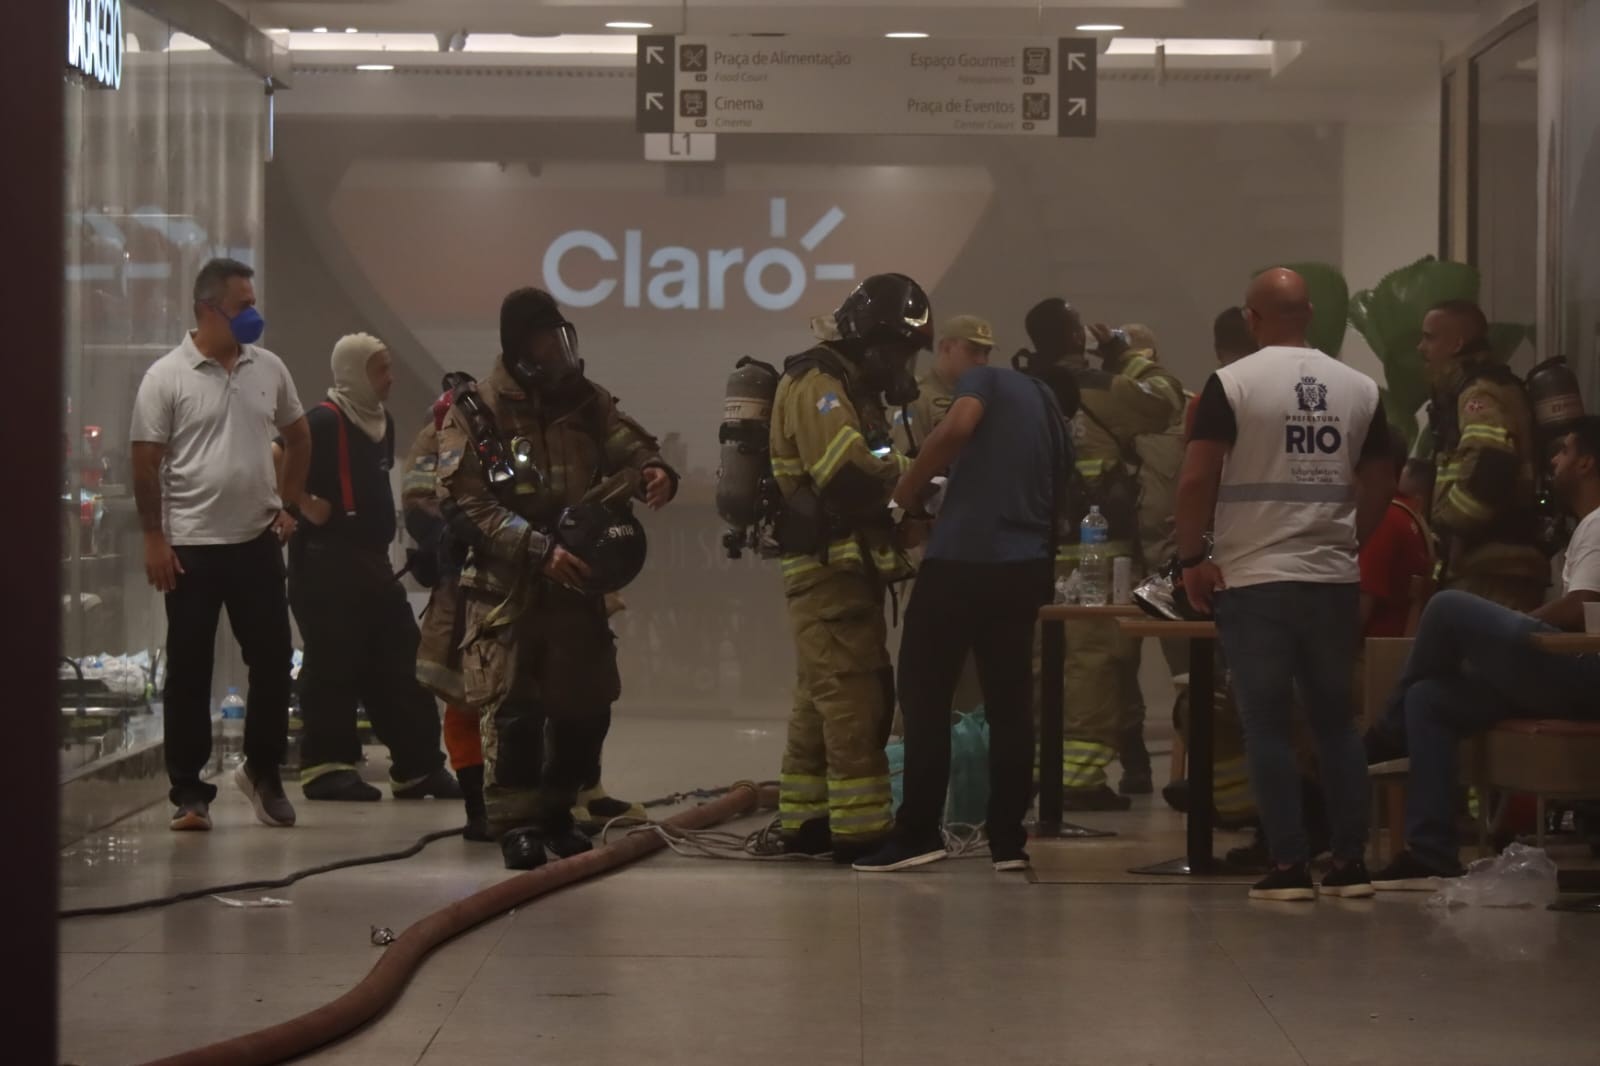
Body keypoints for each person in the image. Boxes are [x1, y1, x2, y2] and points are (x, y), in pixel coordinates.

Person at [438, 288, 677, 870]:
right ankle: (517, 824)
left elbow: (631, 441)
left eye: (562, 339)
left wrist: (653, 470)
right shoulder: (479, 411)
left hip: (577, 583)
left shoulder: (584, 401)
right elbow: (463, 502)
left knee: (586, 705)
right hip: (509, 586)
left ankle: (557, 810)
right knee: (516, 710)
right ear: (520, 348)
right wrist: (536, 547)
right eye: (547, 342)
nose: (559, 353)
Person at [1177, 267, 1394, 901]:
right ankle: (1351, 864)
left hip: (1255, 580)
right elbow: (1381, 478)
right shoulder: (1359, 388)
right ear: (1311, 317)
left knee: (1266, 726)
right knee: (1335, 725)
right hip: (1330, 578)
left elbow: (1195, 480)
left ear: (1252, 317)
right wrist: (1350, 538)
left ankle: (1289, 865)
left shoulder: (1232, 384)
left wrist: (1193, 557)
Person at [853, 363, 1072, 873]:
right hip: (1025, 568)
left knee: (924, 696)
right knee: (1010, 704)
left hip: (962, 564)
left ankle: (917, 833)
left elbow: (956, 427)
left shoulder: (989, 379)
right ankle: (1008, 843)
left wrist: (900, 499)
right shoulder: (1052, 419)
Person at [1365, 416, 1600, 890]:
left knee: (1449, 607)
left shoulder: (1599, 522)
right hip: (1567, 674)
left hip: (1585, 672)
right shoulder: (1584, 527)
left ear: (1588, 463)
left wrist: (1524, 625)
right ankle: (1431, 853)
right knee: (1429, 698)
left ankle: (1381, 739)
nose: (1553, 460)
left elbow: (1587, 605)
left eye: (1564, 451)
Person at [130, 257, 309, 831]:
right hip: (190, 548)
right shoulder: (167, 376)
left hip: (256, 541)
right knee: (189, 669)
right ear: (208, 309)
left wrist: (288, 504)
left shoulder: (269, 368)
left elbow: (299, 435)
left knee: (274, 661)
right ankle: (189, 792)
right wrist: (155, 537)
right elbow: (145, 462)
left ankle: (263, 772)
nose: (254, 314)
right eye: (243, 305)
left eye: (254, 302)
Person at [770, 273, 929, 863]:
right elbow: (848, 475)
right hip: (827, 567)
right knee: (856, 696)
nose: (902, 365)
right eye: (897, 351)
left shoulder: (851, 386)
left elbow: (876, 460)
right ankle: (860, 831)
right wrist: (915, 484)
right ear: (868, 338)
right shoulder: (819, 382)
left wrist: (908, 471)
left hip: (842, 570)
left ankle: (807, 821)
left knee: (821, 696)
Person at [1020, 298, 1184, 811]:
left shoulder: (1024, 390)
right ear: (1075, 337)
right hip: (1097, 548)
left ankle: (1042, 770)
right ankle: (1081, 778)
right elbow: (1164, 400)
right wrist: (1122, 353)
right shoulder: (1095, 385)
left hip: (1036, 548)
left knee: (1046, 661)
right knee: (1095, 660)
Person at [288, 333, 460, 805]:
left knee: (402, 662)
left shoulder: (380, 422)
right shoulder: (322, 421)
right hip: (325, 567)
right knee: (332, 667)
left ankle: (419, 767)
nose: (390, 378)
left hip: (372, 564)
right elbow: (278, 454)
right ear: (353, 374)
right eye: (380, 369)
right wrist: (304, 504)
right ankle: (327, 769)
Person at [403, 372, 492, 839]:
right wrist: (454, 539)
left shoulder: (520, 421)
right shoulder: (436, 430)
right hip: (461, 588)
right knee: (463, 696)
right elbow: (417, 503)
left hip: (524, 572)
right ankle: (479, 807)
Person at [1416, 300, 1545, 611]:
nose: (1422, 348)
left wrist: (1452, 530)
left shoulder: (1479, 393)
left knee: (1481, 659)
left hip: (1489, 570)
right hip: (1492, 567)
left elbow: (1492, 464)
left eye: (1430, 337)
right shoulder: (1484, 387)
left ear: (1457, 343)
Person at [1116, 323, 1188, 795]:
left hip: (1155, 564)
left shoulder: (1188, 415)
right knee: (1124, 668)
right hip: (1136, 563)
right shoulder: (1109, 422)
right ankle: (1141, 765)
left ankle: (1180, 768)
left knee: (1187, 668)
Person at [1360, 425, 1435, 639]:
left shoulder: (1383, 520)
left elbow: (1360, 612)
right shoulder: (1411, 516)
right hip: (1397, 657)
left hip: (1370, 663)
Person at [892, 314, 995, 455]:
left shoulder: (986, 399)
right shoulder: (914, 399)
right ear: (946, 348)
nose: (982, 360)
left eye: (986, 352)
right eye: (973, 350)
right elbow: (904, 458)